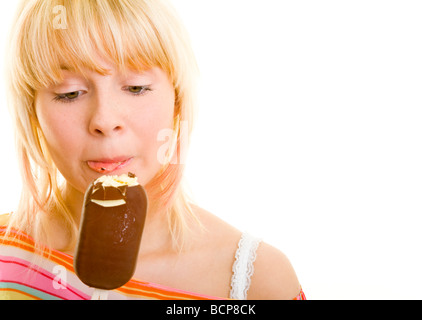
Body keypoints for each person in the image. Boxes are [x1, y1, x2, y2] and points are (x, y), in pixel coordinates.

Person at [0, 0, 305, 300]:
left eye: (136, 88)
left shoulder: (255, 281)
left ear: (177, 99)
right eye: (70, 93)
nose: (105, 121)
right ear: (32, 111)